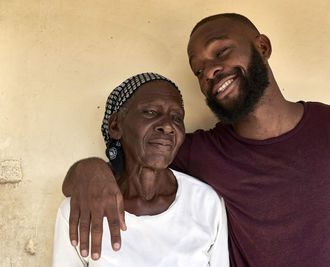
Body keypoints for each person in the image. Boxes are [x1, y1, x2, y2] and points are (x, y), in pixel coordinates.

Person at [62, 14, 330, 266]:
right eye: (198, 70)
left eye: (221, 52)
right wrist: (88, 169)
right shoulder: (199, 151)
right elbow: (131, 160)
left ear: (262, 47)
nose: (209, 71)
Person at [53, 73, 229, 266]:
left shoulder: (205, 204)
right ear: (115, 125)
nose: (168, 126)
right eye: (151, 112)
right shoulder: (80, 209)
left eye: (176, 117)